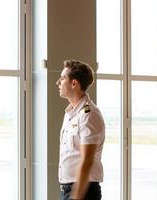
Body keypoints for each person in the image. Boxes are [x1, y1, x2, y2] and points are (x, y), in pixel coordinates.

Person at [56, 59, 105, 200]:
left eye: (63, 78)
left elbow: (87, 160)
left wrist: (76, 196)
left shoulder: (89, 114)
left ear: (74, 83)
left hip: (84, 192)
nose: (58, 82)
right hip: (69, 189)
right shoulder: (71, 114)